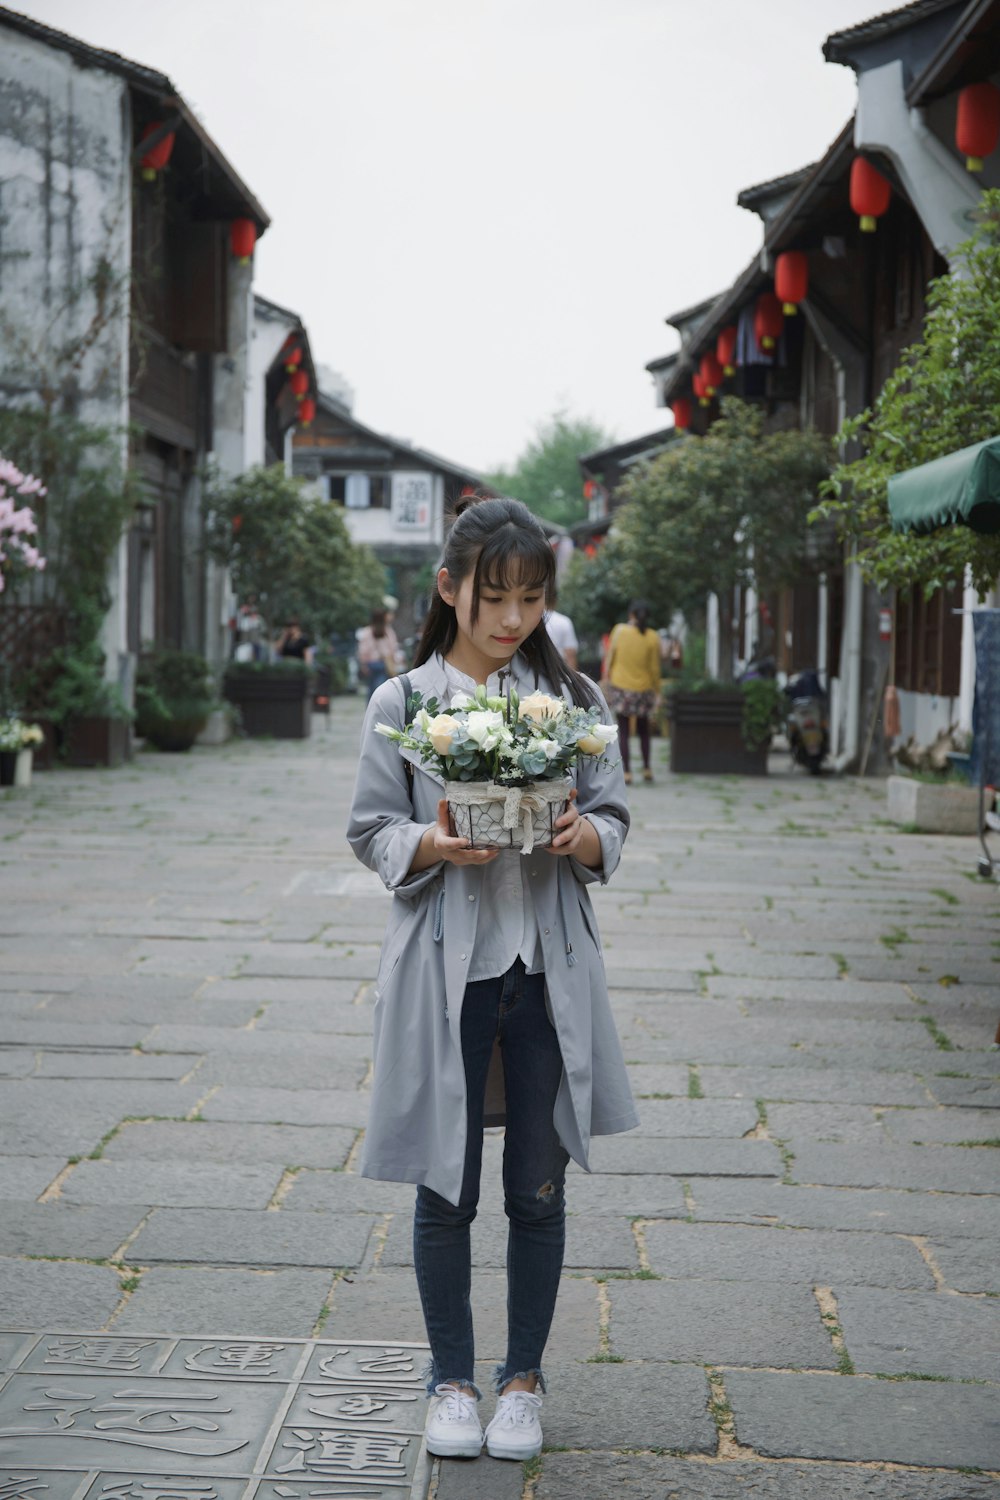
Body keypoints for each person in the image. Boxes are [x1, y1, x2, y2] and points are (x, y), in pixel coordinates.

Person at [347, 496, 637, 1464]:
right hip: (448, 974)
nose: (511, 618)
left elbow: (613, 821)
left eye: (529, 597)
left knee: (539, 1185)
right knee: (445, 1185)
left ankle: (522, 1380)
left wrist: (582, 834)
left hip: (543, 970)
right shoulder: (404, 703)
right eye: (493, 597)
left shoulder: (574, 702)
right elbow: (369, 829)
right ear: (448, 590)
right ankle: (453, 1381)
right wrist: (429, 840)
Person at [602, 601, 660, 785]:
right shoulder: (653, 636)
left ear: (631, 615)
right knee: (644, 730)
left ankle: (627, 772)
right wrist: (657, 691)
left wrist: (606, 677)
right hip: (643, 689)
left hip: (621, 686)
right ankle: (647, 768)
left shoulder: (619, 631)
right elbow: (654, 668)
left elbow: (610, 656)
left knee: (625, 731)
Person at [356, 608, 401, 699]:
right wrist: (395, 663)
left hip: (370, 665)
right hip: (384, 664)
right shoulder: (388, 632)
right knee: (380, 687)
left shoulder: (367, 632)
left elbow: (363, 651)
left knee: (371, 688)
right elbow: (393, 649)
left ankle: (370, 707)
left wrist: (363, 665)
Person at [543, 589, 579, 670]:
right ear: (555, 600)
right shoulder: (564, 621)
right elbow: (570, 654)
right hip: (557, 672)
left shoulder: (531, 621)